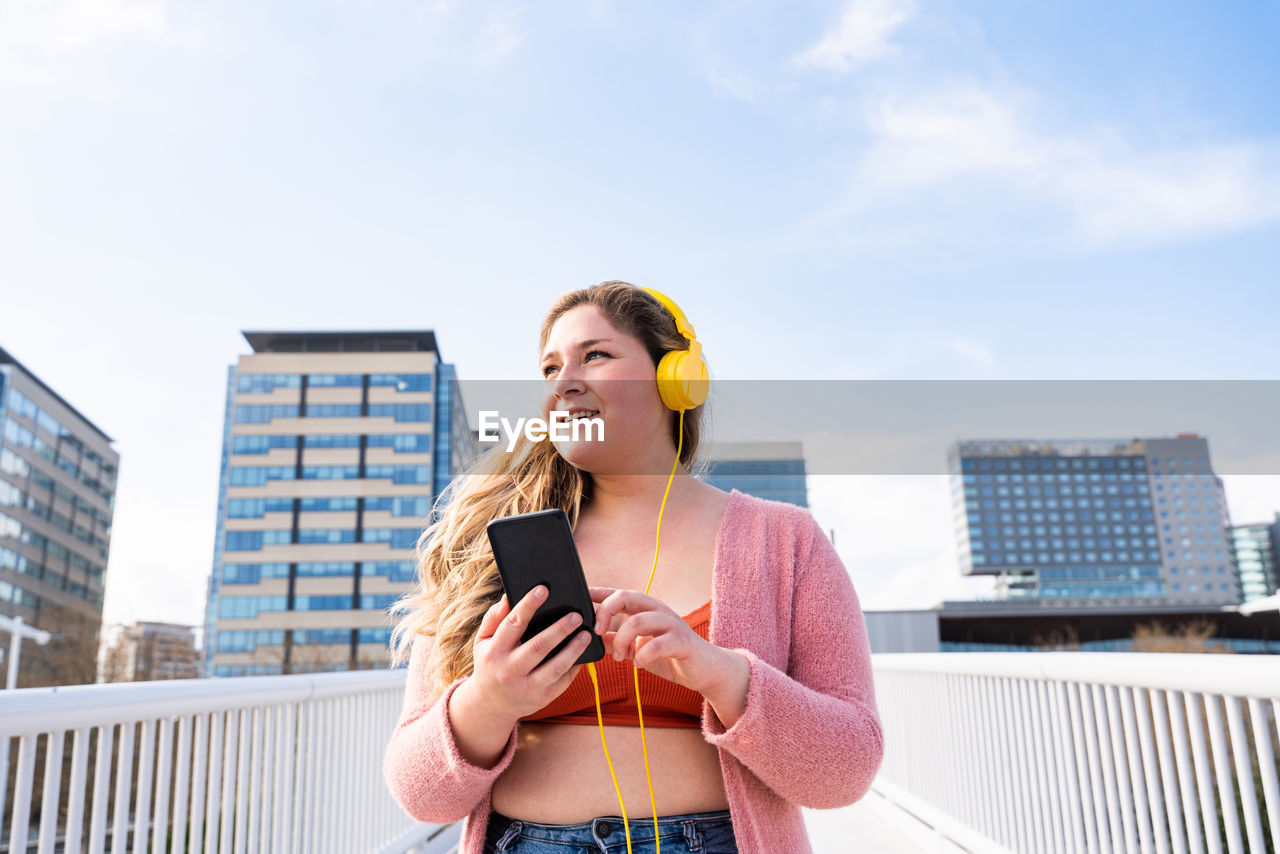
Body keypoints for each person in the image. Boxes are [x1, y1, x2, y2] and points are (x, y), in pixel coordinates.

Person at [382, 281, 884, 853]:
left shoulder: (786, 540)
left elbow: (848, 768)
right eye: (550, 369)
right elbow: (419, 795)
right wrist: (489, 701)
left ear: (675, 378)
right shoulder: (488, 545)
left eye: (595, 355)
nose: (565, 382)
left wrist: (721, 674)